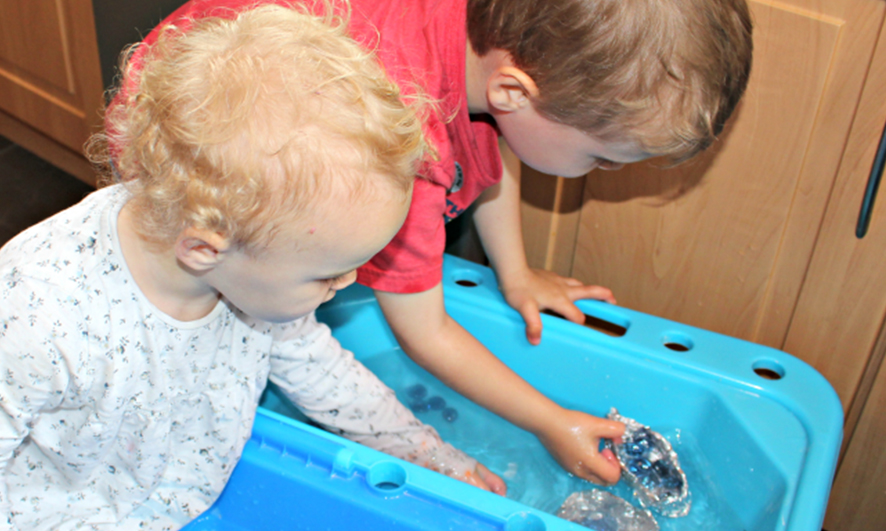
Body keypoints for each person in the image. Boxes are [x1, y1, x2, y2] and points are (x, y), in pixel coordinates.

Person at [118, 0, 753, 487]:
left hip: (257, 56)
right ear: (514, 91)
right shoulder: (406, 152)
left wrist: (518, 273)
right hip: (199, 119)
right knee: (219, 306)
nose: (605, 172)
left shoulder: (493, 46)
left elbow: (496, 141)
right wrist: (550, 421)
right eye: (604, 159)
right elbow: (426, 333)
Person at [0, 6, 506, 531]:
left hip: (183, 501)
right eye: (326, 273)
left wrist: (427, 454)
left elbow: (315, 365)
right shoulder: (40, 312)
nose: (351, 280)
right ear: (203, 250)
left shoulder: (247, 271)